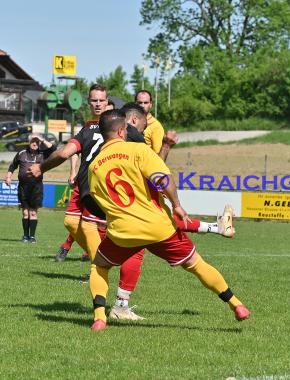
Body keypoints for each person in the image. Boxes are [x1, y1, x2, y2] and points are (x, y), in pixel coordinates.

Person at [87, 109, 249, 331]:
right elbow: (162, 179)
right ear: (122, 129)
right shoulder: (138, 150)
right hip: (159, 227)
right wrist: (177, 205)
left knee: (100, 266)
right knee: (196, 265)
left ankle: (99, 317)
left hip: (123, 232)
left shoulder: (94, 166)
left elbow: (97, 201)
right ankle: (236, 305)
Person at [4, 133, 56, 243]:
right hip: (23, 187)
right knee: (25, 213)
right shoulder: (21, 153)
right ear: (29, 142)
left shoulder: (43, 153)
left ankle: (32, 237)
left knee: (33, 213)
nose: (35, 143)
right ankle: (25, 236)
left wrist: (42, 139)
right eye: (33, 141)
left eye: (37, 142)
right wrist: (8, 176)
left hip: (36, 187)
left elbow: (53, 149)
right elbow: (13, 166)